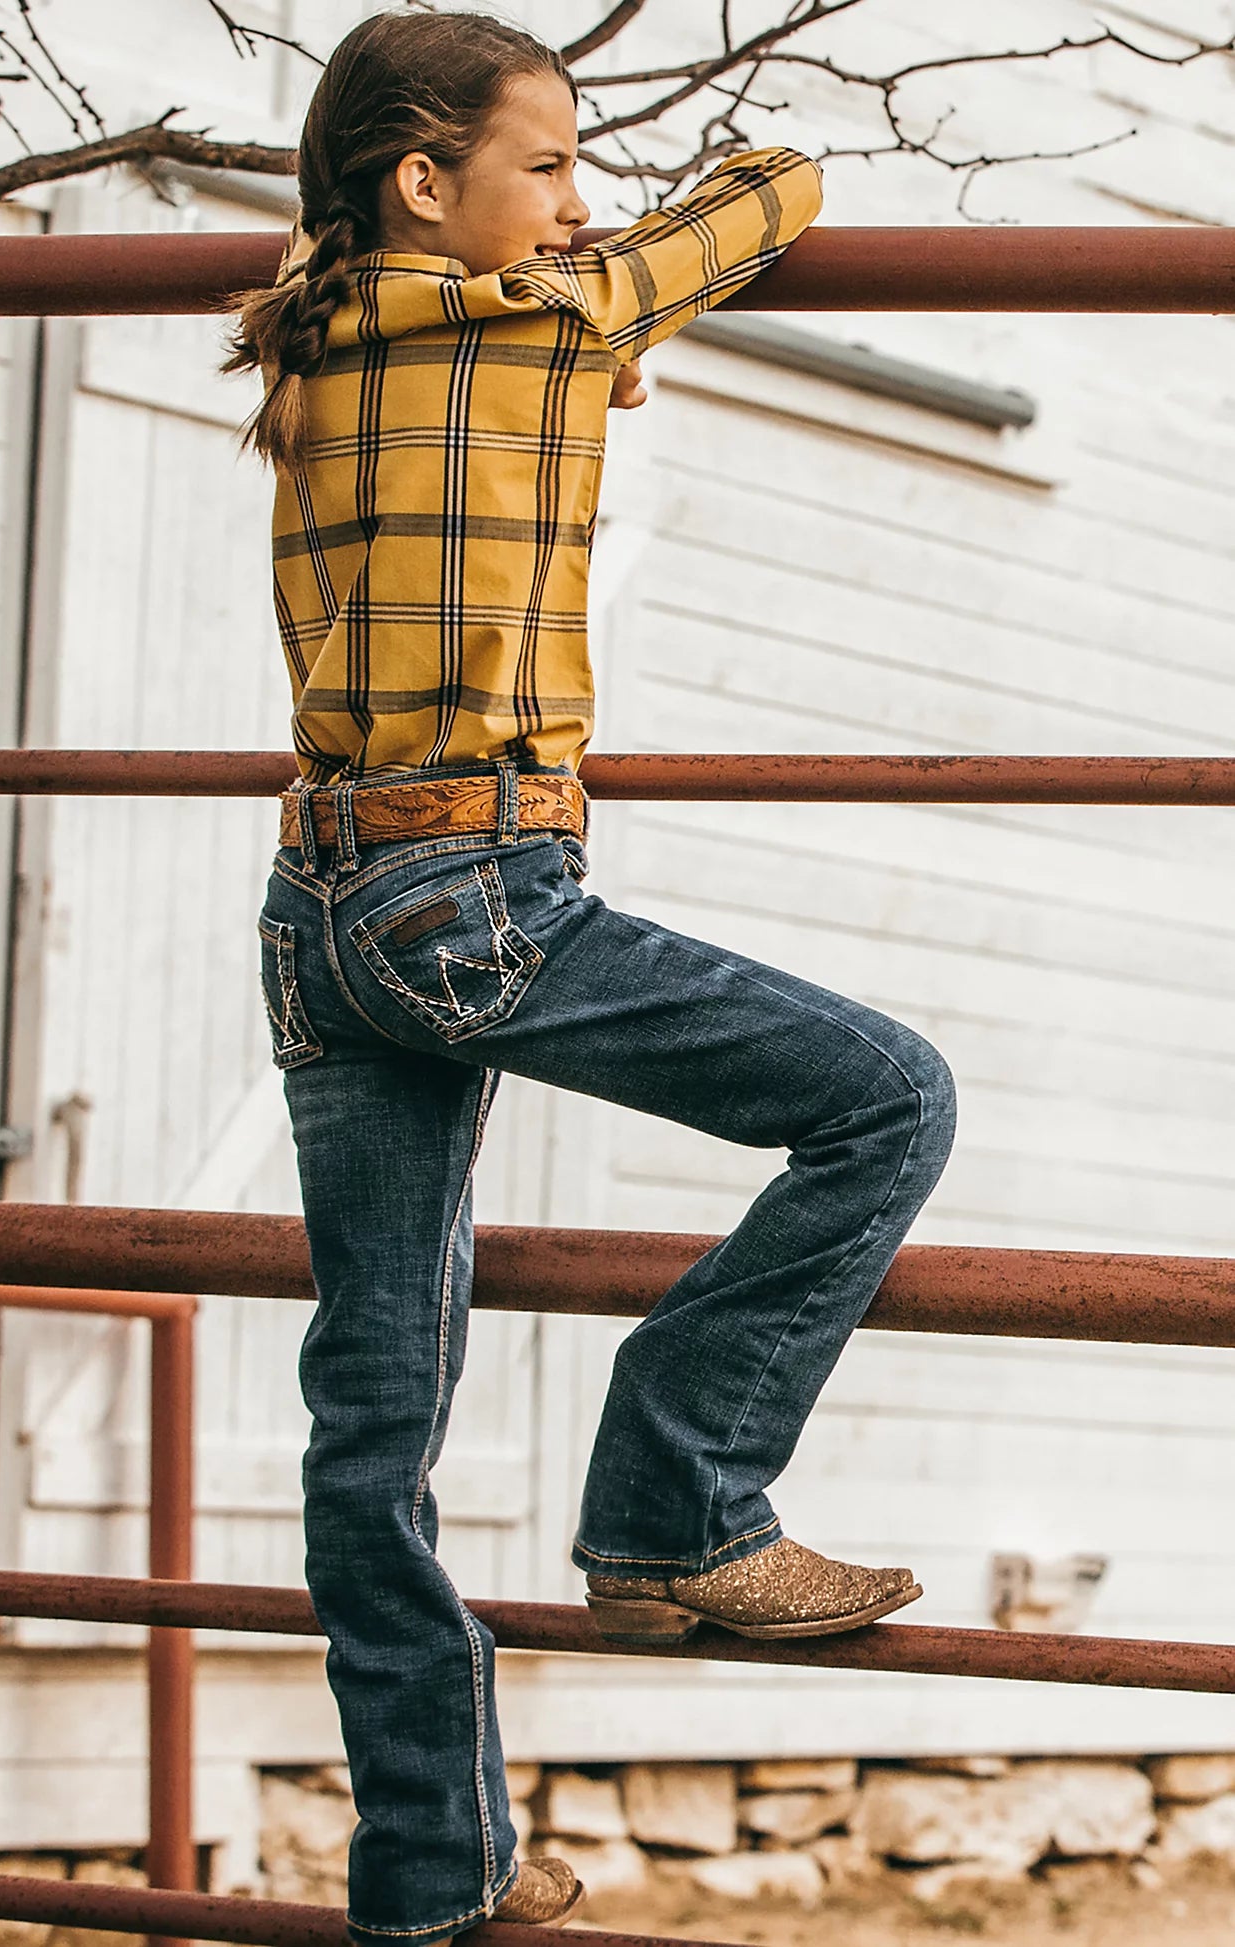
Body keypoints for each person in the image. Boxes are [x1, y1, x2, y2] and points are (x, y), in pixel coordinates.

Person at [225, 10, 957, 1942]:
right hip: (473, 889)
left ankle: (427, 1870)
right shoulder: (547, 328)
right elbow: (764, 206)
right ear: (423, 181)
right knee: (889, 1097)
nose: (575, 206)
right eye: (544, 166)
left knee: (370, 1425)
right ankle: (678, 1508)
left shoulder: (310, 332)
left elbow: (476, 286)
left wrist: (540, 258)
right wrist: (710, 204)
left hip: (322, 905)